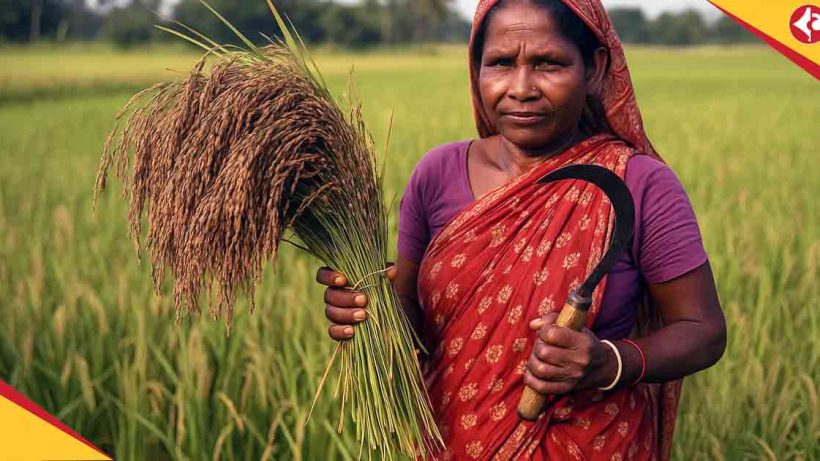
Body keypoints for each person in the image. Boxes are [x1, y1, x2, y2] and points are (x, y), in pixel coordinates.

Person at [316, 0, 727, 459]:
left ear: (594, 68)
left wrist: (609, 361)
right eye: (500, 64)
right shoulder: (437, 174)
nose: (521, 88)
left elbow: (703, 330)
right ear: (476, 70)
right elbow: (410, 313)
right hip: (450, 442)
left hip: (593, 444)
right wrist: (369, 312)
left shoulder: (639, 183)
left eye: (548, 63)